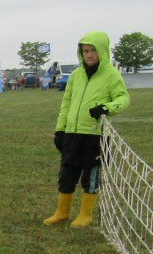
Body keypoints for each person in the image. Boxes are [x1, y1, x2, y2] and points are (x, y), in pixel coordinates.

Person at [43, 31, 130, 228]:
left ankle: (85, 215)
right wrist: (60, 130)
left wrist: (107, 108)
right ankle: (61, 213)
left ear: (102, 51)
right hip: (72, 134)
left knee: (90, 177)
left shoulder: (111, 75)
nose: (89, 55)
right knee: (66, 175)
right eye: (85, 51)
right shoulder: (75, 75)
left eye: (93, 50)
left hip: (95, 135)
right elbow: (66, 103)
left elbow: (123, 98)